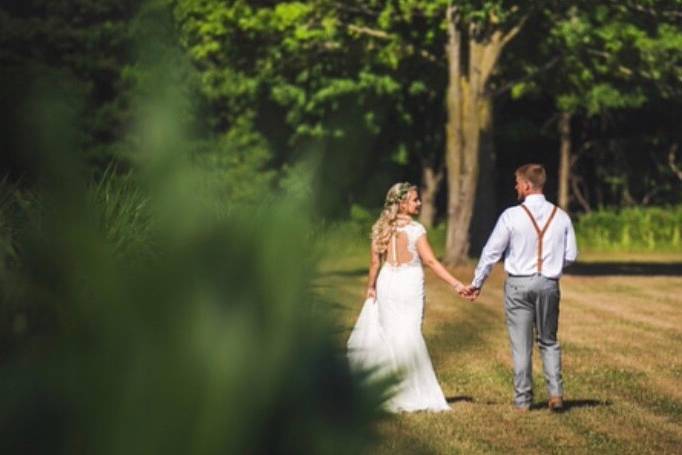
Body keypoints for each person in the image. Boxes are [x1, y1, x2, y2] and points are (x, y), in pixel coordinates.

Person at [464, 164, 578, 412]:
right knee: (549, 340)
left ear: (527, 185)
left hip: (518, 284)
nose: (515, 186)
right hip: (548, 284)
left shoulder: (511, 216)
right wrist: (550, 266)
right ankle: (556, 394)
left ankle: (523, 400)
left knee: (521, 344)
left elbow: (491, 252)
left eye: (517, 182)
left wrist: (477, 283)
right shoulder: (561, 216)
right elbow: (571, 255)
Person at [347, 182, 468, 412]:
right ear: (402, 204)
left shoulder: (381, 227)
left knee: (391, 334)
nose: (419, 203)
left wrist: (371, 286)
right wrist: (456, 284)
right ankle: (413, 391)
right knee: (410, 333)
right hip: (408, 284)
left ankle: (389, 389)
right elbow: (431, 261)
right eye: (414, 200)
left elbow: (375, 263)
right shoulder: (416, 230)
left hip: (386, 281)